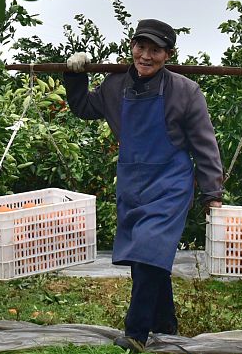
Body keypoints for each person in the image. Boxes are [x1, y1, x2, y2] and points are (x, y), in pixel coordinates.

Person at [64, 18, 224, 352]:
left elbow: (204, 145)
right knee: (145, 257)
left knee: (149, 250)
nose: (146, 56)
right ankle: (166, 327)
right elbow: (83, 107)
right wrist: (75, 75)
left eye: (155, 50)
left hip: (170, 183)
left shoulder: (185, 91)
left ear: (168, 55)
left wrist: (212, 194)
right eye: (141, 47)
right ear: (132, 46)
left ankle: (136, 334)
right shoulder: (115, 85)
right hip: (133, 183)